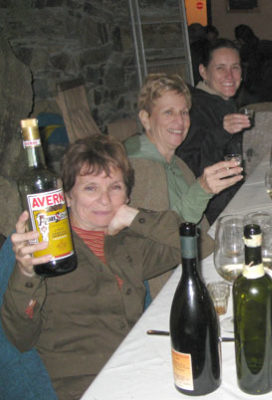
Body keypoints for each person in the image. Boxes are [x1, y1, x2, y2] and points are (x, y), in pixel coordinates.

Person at [1, 134, 182, 400]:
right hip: (86, 385)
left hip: (142, 368)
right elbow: (20, 338)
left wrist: (135, 217)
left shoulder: (130, 242)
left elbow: (196, 244)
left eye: (115, 187)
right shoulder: (44, 249)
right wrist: (26, 273)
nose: (105, 200)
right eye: (90, 188)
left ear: (128, 194)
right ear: (67, 197)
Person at [125, 73, 243, 296]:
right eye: (168, 112)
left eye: (184, 112)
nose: (179, 122)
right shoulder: (137, 169)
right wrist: (202, 190)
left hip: (196, 264)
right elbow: (160, 240)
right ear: (145, 118)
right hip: (169, 286)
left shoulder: (177, 163)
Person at [175, 39, 249, 225]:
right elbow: (190, 167)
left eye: (235, 67)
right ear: (203, 71)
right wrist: (221, 131)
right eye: (220, 68)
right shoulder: (192, 108)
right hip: (209, 216)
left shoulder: (221, 102)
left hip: (230, 199)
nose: (230, 76)